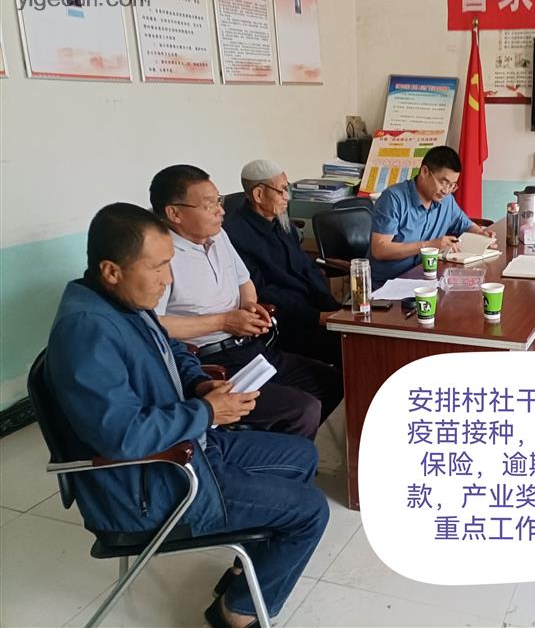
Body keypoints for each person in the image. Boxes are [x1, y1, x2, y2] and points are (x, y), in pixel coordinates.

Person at [45, 203, 329, 628]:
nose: (169, 279)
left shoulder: (125, 301)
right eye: (158, 267)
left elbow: (173, 349)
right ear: (111, 270)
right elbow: (121, 436)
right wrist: (207, 411)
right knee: (310, 510)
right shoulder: (87, 329)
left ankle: (247, 572)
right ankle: (237, 613)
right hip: (149, 485)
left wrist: (199, 386)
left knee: (302, 456)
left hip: (188, 447)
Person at [150, 164, 342, 439]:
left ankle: (287, 449)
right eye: (210, 205)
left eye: (219, 201)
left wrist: (250, 305)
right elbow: (154, 325)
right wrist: (223, 322)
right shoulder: (159, 255)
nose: (221, 211)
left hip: (249, 348)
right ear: (174, 213)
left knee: (334, 382)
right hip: (208, 363)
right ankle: (275, 454)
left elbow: (245, 281)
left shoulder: (219, 235)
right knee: (303, 408)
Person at [223, 159, 343, 367]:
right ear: (259, 194)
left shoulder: (280, 220)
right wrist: (318, 317)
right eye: (281, 191)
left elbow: (307, 267)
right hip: (289, 322)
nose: (287, 197)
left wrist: (334, 309)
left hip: (317, 310)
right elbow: (263, 292)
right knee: (351, 347)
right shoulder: (234, 235)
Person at [370, 145, 495, 287]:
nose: (446, 190)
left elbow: (465, 224)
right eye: (443, 182)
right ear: (424, 172)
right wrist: (428, 246)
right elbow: (380, 249)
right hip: (388, 285)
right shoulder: (393, 199)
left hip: (425, 279)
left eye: (452, 185)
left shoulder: (446, 200)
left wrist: (481, 233)